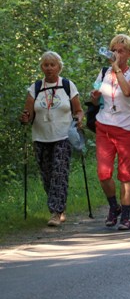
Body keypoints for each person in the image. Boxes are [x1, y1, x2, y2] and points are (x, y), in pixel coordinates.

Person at [20, 51, 84, 227]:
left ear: (59, 66)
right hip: (40, 137)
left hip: (63, 135)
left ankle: (56, 212)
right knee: (47, 175)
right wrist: (25, 117)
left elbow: (78, 110)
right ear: (41, 67)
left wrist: (79, 119)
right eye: (45, 65)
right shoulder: (35, 88)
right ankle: (59, 208)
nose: (49, 68)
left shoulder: (67, 85)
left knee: (59, 173)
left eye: (52, 64)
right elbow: (28, 113)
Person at [89, 35, 130, 230]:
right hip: (104, 126)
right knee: (103, 173)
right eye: (114, 50)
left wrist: (117, 69)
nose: (117, 54)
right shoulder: (103, 73)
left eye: (122, 51)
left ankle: (125, 215)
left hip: (127, 128)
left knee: (125, 174)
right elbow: (95, 99)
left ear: (129, 53)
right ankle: (113, 206)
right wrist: (94, 97)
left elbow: (127, 92)